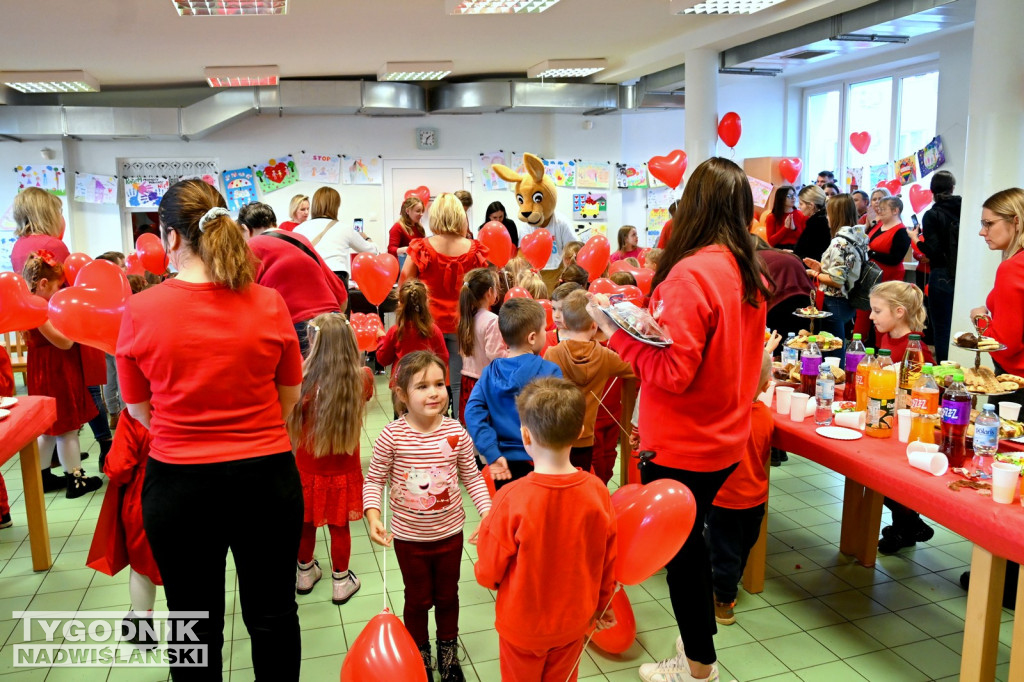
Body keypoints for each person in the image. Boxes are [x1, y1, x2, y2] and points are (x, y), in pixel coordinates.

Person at [587, 157, 770, 682]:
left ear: (694, 206)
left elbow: (672, 372)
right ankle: (698, 650)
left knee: (683, 556)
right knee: (693, 545)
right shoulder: (744, 269)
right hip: (724, 437)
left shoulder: (691, 275)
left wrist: (615, 330)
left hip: (685, 445)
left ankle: (697, 666)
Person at [116, 179, 304, 680]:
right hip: (266, 479)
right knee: (273, 616)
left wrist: (190, 429)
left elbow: (139, 410)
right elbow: (288, 398)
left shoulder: (139, 311)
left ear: (171, 238)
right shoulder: (268, 303)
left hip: (179, 486)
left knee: (193, 624)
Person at [474, 377, 617, 682]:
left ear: (525, 435)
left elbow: (488, 571)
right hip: (574, 622)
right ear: (580, 432)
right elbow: (607, 559)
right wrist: (603, 605)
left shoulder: (511, 498)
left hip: (522, 627)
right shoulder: (597, 491)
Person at [363, 350, 492, 681]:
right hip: (409, 540)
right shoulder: (392, 436)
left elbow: (472, 477)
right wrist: (374, 515)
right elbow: (375, 478)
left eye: (439, 383)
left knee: (448, 597)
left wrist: (489, 514)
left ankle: (448, 655)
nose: (434, 392)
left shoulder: (455, 432)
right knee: (417, 600)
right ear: (402, 395)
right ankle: (418, 653)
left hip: (450, 535)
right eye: (422, 386)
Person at [289, 313, 373, 605]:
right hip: (344, 470)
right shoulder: (362, 378)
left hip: (306, 468)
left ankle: (304, 573)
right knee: (340, 527)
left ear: (313, 340)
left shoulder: (300, 377)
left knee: (305, 524)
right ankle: (341, 581)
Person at [22, 252, 103, 497]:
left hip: (44, 369)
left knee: (47, 428)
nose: (61, 291)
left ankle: (42, 476)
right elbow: (64, 343)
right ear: (44, 284)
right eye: (59, 286)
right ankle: (75, 479)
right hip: (56, 371)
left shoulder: (31, 304)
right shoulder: (38, 308)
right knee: (67, 427)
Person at [401, 193, 489, 413]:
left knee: (429, 381)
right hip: (464, 324)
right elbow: (484, 287)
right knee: (461, 383)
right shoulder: (474, 249)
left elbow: (405, 281)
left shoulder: (422, 246)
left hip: (428, 324)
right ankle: (460, 435)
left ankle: (431, 430)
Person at [465, 298, 563, 489]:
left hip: (503, 463)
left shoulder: (488, 373)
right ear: (532, 338)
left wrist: (491, 451)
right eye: (544, 329)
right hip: (543, 461)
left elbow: (472, 413)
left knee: (511, 515)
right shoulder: (550, 371)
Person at [868, 281, 936, 555]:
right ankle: (907, 525)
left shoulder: (916, 349)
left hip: (907, 423)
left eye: (876, 310)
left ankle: (908, 524)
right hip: (886, 417)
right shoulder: (886, 337)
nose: (871, 316)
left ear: (899, 312)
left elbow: (919, 394)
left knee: (894, 479)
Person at [706, 350, 773, 625]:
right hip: (755, 498)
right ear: (767, 386)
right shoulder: (766, 416)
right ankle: (729, 586)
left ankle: (723, 601)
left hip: (724, 499)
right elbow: (765, 452)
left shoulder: (722, 414)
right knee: (743, 547)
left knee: (723, 551)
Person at [240, 202, 348, 356]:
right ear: (274, 223)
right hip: (332, 321)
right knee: (337, 379)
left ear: (245, 229)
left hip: (296, 327)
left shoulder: (251, 246)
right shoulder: (300, 239)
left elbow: (244, 301)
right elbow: (339, 290)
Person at [544, 290, 634, 473]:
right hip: (586, 437)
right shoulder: (605, 356)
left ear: (566, 323)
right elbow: (636, 367)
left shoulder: (552, 353)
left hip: (557, 435)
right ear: (595, 325)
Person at [102, 410, 162, 647]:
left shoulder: (135, 414)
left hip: (146, 498)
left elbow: (118, 468)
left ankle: (142, 628)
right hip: (196, 493)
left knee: (142, 568)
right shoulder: (198, 405)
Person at [970, 187, 1024, 404]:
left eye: (989, 224)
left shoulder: (1013, 267)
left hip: (1017, 383)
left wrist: (978, 318)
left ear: (1016, 221)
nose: (982, 232)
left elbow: (1004, 346)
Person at [802, 195, 865, 343]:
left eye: (828, 214)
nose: (827, 218)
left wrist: (814, 274)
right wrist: (822, 267)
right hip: (848, 300)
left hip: (834, 302)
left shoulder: (839, 242)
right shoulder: (858, 237)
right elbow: (847, 269)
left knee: (832, 350)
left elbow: (836, 280)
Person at [295, 187, 378, 287]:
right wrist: (367, 238)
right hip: (336, 278)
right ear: (335, 207)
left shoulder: (298, 229)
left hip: (308, 279)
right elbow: (372, 251)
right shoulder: (344, 228)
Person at [854, 196, 912, 338]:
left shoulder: (902, 232)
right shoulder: (878, 225)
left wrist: (872, 252)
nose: (879, 211)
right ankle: (857, 346)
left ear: (895, 211)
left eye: (883, 209)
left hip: (888, 279)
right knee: (863, 314)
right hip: (870, 278)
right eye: (879, 208)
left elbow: (895, 259)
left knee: (884, 316)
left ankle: (882, 348)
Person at [918, 170, 961, 362]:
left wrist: (916, 241)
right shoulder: (964, 209)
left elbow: (933, 250)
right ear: (952, 188)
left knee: (942, 328)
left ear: (931, 190)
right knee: (958, 323)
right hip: (962, 272)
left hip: (942, 273)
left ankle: (945, 373)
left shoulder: (932, 214)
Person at [374, 279, 448, 386]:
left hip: (401, 385)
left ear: (400, 304)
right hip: (425, 383)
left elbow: (383, 360)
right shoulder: (433, 330)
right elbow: (443, 358)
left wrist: (381, 339)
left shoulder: (396, 331)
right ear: (426, 302)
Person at [457, 268, 506, 423]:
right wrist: (513, 353)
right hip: (484, 382)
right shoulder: (492, 320)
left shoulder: (466, 318)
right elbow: (495, 356)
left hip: (467, 380)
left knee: (472, 426)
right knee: (487, 428)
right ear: (489, 292)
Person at [10, 187, 69, 274]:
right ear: (49, 215)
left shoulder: (18, 245)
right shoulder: (53, 245)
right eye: (58, 212)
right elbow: (72, 282)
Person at [792, 185, 831, 262]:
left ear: (811, 205)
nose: (799, 207)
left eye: (801, 204)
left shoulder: (816, 223)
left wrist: (793, 254)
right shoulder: (823, 218)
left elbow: (808, 253)